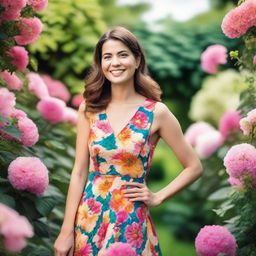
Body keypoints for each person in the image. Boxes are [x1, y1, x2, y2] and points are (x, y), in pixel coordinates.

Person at [54, 26, 203, 256]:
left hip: (130, 220)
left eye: (122, 54)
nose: (115, 62)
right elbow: (79, 172)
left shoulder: (156, 112)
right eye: (107, 57)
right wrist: (66, 231)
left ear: (137, 59)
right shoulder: (89, 109)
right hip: (88, 218)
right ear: (101, 64)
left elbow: (194, 166)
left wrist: (158, 196)